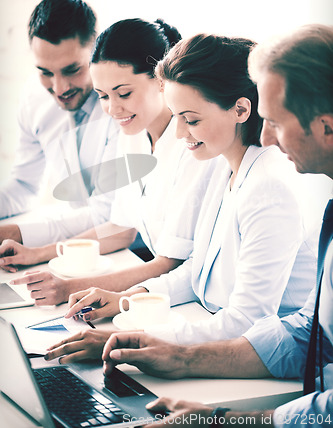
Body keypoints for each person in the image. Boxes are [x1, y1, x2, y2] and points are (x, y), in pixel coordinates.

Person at [98, 24, 333, 426]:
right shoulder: (223, 170)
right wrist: (151, 324)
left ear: (327, 126)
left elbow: (262, 324)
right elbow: (314, 333)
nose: (267, 138)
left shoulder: (271, 185)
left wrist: (230, 418)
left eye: (274, 121)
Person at [45, 33, 319, 362]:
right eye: (176, 117)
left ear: (241, 110)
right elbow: (196, 270)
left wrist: (130, 339)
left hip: (263, 360)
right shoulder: (223, 165)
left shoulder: (269, 188)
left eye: (191, 120)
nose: (179, 133)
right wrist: (131, 298)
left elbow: (247, 322)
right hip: (207, 325)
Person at [4, 19, 216, 306]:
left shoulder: (193, 145)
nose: (112, 109)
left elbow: (171, 263)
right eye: (103, 96)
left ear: (161, 81)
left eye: (124, 93)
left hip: (194, 298)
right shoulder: (133, 134)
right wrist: (38, 253)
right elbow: (121, 229)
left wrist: (69, 288)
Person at [0, 0, 119, 253]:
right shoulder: (33, 98)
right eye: (45, 72)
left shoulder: (121, 107)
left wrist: (14, 234)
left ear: (96, 51)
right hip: (70, 250)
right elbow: (25, 185)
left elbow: (106, 215)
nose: (59, 88)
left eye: (72, 69)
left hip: (129, 251)